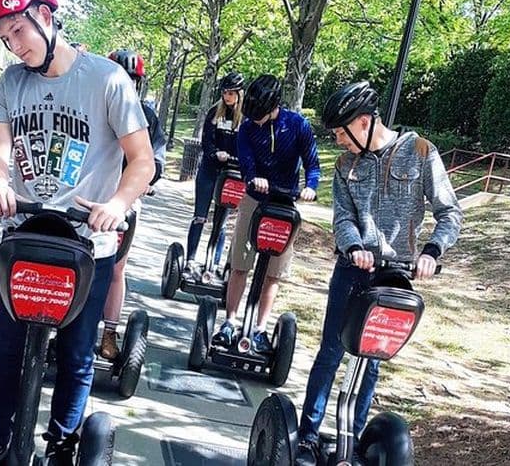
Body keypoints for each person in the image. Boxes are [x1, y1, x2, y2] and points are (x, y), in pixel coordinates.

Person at [0, 0, 154, 465]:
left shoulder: (107, 80)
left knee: (76, 354)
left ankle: (64, 444)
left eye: (18, 32)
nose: (13, 47)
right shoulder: (11, 83)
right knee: (6, 349)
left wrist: (117, 205)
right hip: (25, 235)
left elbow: (142, 161)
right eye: (5, 39)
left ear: (45, 18)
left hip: (88, 241)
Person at [294, 81, 463, 465]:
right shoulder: (344, 165)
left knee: (371, 360)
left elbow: (449, 212)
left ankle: (352, 440)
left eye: (342, 132)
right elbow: (343, 217)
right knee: (331, 352)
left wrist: (432, 252)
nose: (339, 141)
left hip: (395, 278)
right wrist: (353, 246)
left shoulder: (420, 153)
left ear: (366, 121)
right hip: (352, 271)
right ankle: (306, 438)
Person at [213, 74, 320, 354]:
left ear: (274, 106)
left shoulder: (297, 125)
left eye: (260, 116)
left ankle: (260, 329)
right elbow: (247, 160)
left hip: (286, 202)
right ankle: (229, 322)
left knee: (274, 272)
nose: (256, 121)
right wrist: (253, 177)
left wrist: (310, 187)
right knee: (240, 263)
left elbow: (312, 163)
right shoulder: (248, 128)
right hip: (254, 198)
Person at [99, 49, 167, 360]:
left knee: (115, 269)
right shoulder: (93, 104)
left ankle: (109, 333)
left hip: (123, 203)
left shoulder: (146, 117)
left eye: (130, 80)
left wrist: (147, 182)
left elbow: (156, 158)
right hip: (88, 197)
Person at [184, 71, 245, 278]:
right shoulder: (214, 112)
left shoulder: (245, 119)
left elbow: (247, 146)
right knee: (200, 216)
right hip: (210, 170)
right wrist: (214, 153)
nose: (227, 96)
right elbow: (206, 140)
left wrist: (240, 160)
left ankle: (215, 264)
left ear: (239, 93)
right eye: (225, 92)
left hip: (231, 174)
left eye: (231, 93)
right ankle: (190, 260)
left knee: (221, 220)